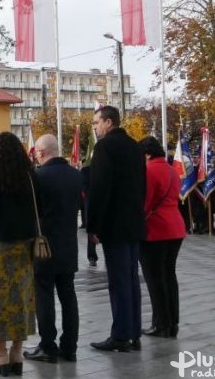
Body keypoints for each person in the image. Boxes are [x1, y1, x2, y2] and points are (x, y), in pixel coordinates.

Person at [0, 132, 38, 375]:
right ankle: (17, 353)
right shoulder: (30, 176)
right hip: (24, 246)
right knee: (21, 298)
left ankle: (0, 356)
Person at [87, 106, 145, 353]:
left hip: (114, 225)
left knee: (119, 281)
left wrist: (94, 225)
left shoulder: (105, 147)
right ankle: (134, 331)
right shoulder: (135, 146)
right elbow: (142, 184)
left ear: (109, 122)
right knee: (131, 280)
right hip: (133, 222)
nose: (95, 127)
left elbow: (99, 188)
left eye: (97, 122)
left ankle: (121, 335)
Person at [24, 135, 80, 364]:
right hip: (69, 244)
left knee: (44, 295)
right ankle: (70, 347)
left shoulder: (37, 177)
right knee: (68, 295)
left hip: (43, 246)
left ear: (40, 152)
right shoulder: (76, 176)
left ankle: (47, 345)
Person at [137, 137, 185, 339]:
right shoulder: (172, 170)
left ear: (147, 154)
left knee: (155, 279)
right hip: (175, 227)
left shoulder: (149, 171)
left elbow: (145, 203)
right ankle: (173, 322)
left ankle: (160, 324)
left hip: (156, 229)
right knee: (169, 276)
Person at [80, 165, 98, 267]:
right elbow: (83, 187)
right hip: (91, 202)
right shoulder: (86, 170)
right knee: (91, 230)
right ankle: (92, 257)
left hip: (99, 202)